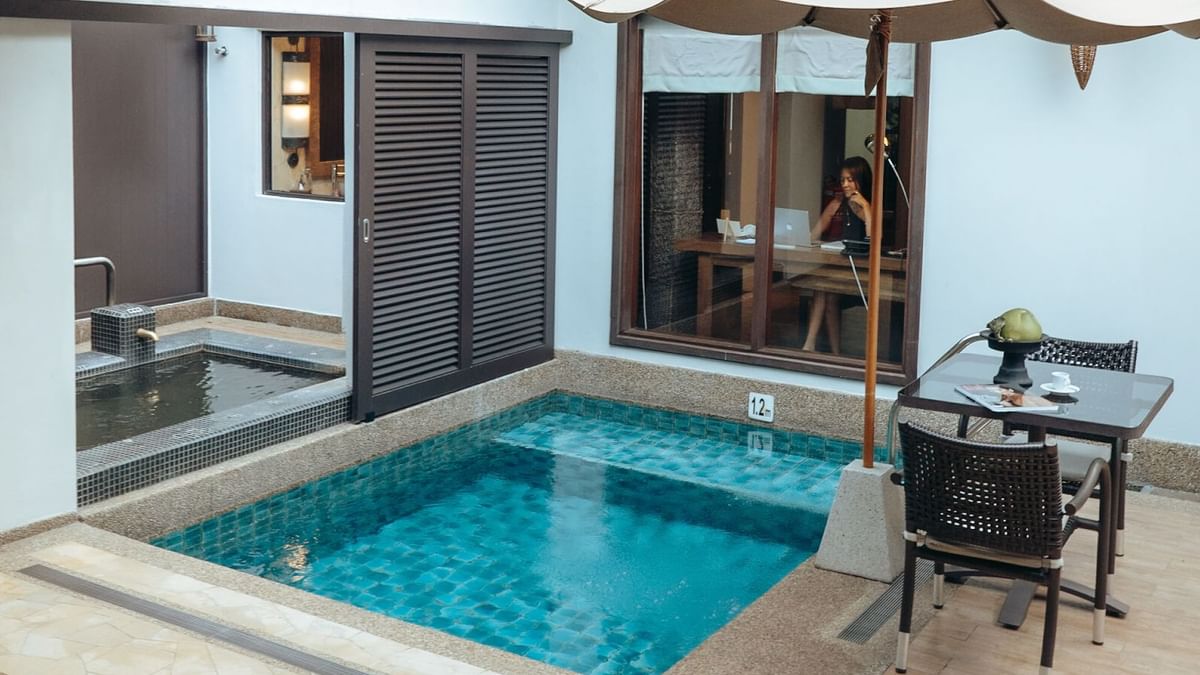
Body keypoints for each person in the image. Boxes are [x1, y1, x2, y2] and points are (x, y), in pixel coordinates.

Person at [802, 156, 872, 353]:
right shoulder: (837, 203)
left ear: (861, 180)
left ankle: (812, 345)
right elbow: (814, 234)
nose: (845, 184)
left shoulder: (870, 205)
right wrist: (832, 209)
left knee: (824, 290)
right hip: (837, 263)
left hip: (859, 270)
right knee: (824, 290)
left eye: (850, 180)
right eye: (842, 180)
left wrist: (866, 207)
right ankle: (828, 350)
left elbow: (875, 238)